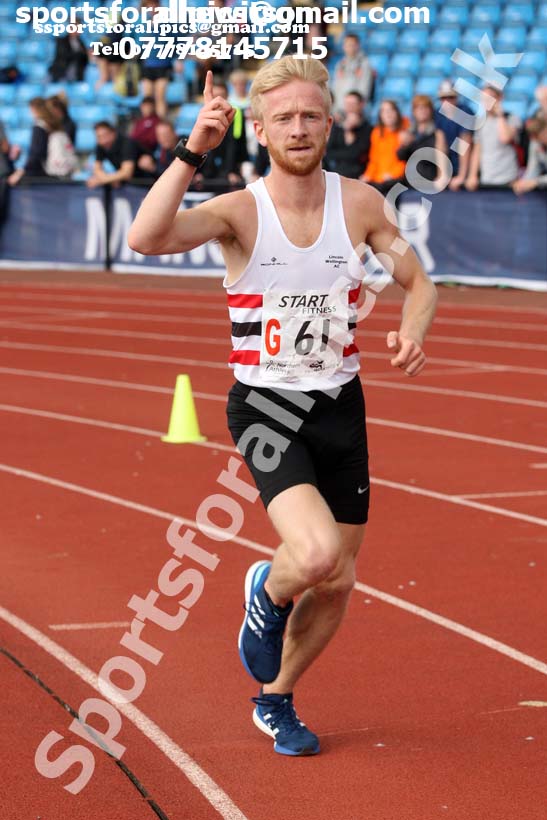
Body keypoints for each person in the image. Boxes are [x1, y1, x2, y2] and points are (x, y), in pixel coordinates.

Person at [128, 58, 437, 757]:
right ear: (260, 130)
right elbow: (145, 237)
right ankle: (266, 587)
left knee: (338, 581)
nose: (299, 128)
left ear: (329, 122)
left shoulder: (359, 203)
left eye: (311, 115)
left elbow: (418, 284)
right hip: (267, 407)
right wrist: (190, 152)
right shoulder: (238, 210)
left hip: (339, 406)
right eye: (284, 118)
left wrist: (411, 329)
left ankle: (275, 700)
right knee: (318, 553)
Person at [8, 97, 77, 185]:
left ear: (34, 110)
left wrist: (21, 172)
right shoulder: (54, 125)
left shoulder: (39, 127)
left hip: (43, 174)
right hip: (57, 172)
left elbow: (36, 154)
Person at [465, 86, 520, 190]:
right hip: (487, 178)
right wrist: (472, 175)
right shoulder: (480, 121)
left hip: (509, 178)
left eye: (491, 98)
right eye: (484, 99)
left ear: (499, 98)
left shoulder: (512, 118)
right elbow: (477, 150)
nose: (487, 102)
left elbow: (505, 138)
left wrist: (500, 115)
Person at [196, 78, 248, 186]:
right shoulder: (203, 115)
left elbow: (235, 145)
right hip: (208, 172)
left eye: (222, 96)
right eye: (215, 97)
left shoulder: (236, 114)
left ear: (227, 96)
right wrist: (200, 173)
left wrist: (231, 171)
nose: (218, 101)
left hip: (229, 171)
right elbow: (200, 145)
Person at [397, 94, 448, 188]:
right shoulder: (409, 132)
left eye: (425, 107)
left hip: (429, 182)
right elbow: (400, 156)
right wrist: (404, 144)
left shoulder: (437, 134)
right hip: (409, 183)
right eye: (419, 108)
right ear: (414, 111)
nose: (422, 111)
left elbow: (442, 158)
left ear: (430, 110)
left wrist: (441, 177)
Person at [361, 99, 410, 194]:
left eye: (391, 110)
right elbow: (374, 159)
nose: (388, 114)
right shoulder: (376, 133)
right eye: (383, 111)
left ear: (397, 113)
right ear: (380, 115)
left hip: (395, 179)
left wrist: (393, 174)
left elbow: (404, 160)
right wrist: (367, 175)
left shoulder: (405, 131)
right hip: (378, 178)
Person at [435, 80, 474, 191]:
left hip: (468, 166)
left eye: (450, 97)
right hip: (451, 163)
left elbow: (465, 145)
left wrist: (462, 176)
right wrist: (442, 174)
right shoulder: (439, 113)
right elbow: (440, 145)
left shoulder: (465, 112)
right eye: (443, 98)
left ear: (456, 97)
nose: (447, 101)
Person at [86, 121, 150, 188]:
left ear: (113, 133)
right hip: (130, 184)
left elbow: (127, 173)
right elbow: (97, 168)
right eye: (98, 137)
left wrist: (102, 180)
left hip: (148, 182)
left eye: (105, 135)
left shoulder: (127, 143)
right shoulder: (101, 145)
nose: (103, 140)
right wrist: (105, 178)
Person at [325, 90, 371, 178]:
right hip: (335, 173)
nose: (349, 107)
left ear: (361, 105)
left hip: (358, 176)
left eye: (352, 104)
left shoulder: (368, 128)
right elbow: (329, 152)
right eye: (347, 104)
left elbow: (357, 155)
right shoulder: (337, 126)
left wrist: (349, 131)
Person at [332, 34, 374, 115]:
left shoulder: (364, 64)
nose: (349, 47)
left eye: (352, 45)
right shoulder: (340, 64)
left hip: (356, 111)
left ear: (358, 46)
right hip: (339, 110)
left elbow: (364, 90)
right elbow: (336, 87)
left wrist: (355, 108)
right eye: (347, 45)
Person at [513, 114, 547, 195]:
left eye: (537, 137)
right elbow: (533, 169)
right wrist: (523, 183)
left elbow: (535, 181)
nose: (535, 141)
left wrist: (536, 182)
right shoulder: (535, 142)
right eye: (533, 138)